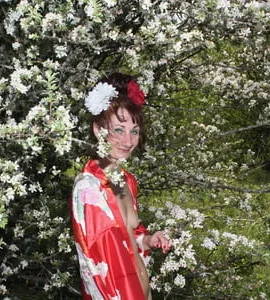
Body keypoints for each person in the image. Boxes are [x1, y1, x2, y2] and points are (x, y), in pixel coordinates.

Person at [71, 73, 171, 300]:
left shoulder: (126, 180)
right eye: (118, 130)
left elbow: (130, 237)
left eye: (134, 131)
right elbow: (100, 271)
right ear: (98, 129)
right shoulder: (89, 189)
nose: (128, 141)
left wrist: (147, 240)